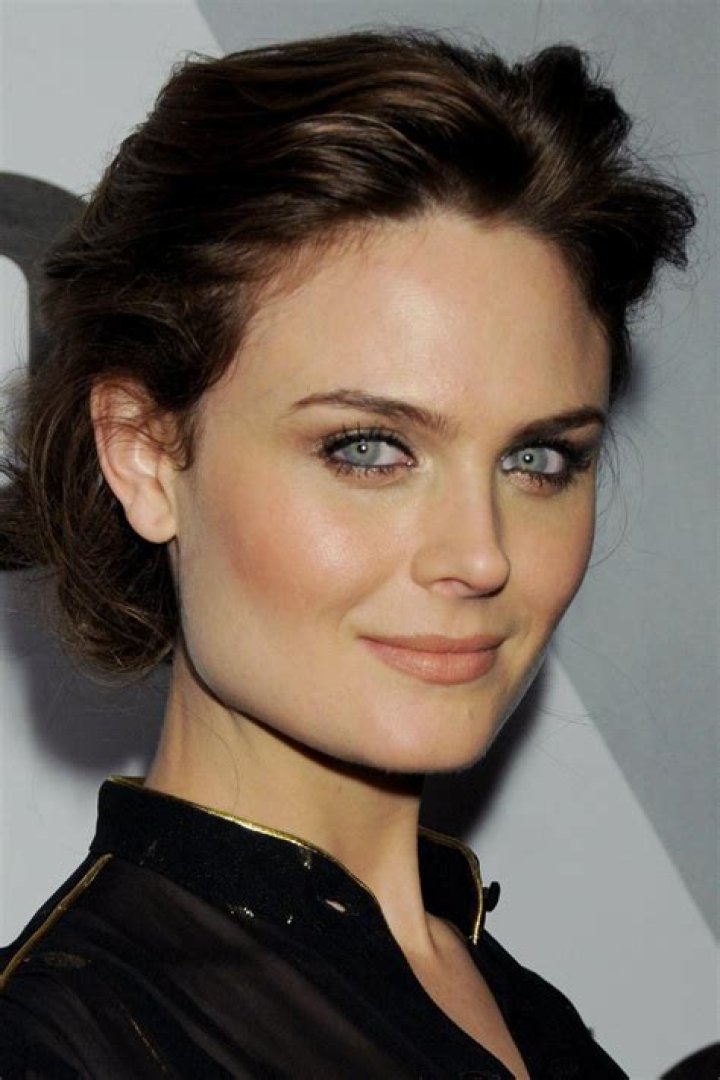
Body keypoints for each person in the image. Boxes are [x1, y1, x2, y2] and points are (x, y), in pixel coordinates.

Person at [0, 29, 693, 1080]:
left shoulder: (508, 999)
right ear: (145, 453)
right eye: (368, 449)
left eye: (539, 458)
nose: (480, 557)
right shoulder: (65, 1049)